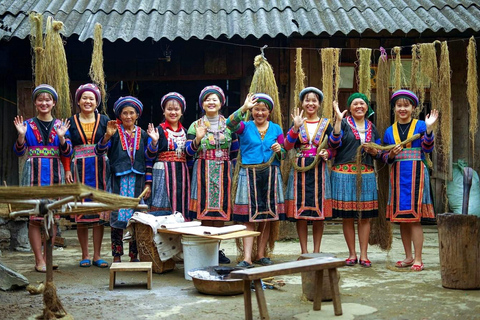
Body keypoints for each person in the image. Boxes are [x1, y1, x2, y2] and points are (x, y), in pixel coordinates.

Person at [13, 84, 72, 272]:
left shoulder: (60, 126)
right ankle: (39, 260)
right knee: (35, 218)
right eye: (40, 99)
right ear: (35, 103)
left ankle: (48, 257)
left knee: (52, 217)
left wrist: (62, 138)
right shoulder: (27, 125)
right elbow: (19, 151)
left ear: (53, 103)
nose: (44, 103)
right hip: (33, 173)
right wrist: (21, 137)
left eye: (48, 99)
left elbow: (68, 151)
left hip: (55, 171)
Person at [95, 96, 161, 263]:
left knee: (136, 219)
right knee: (116, 218)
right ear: (120, 115)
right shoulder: (114, 132)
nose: (128, 116)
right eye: (125, 113)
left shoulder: (144, 134)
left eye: (132, 113)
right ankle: (116, 256)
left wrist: (154, 142)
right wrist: (107, 137)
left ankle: (134, 256)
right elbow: (99, 151)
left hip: (137, 182)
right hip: (118, 180)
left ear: (137, 115)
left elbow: (149, 158)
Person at [227, 93, 286, 268]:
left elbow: (284, 154)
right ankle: (247, 258)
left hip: (270, 173)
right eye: (256, 110)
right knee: (248, 218)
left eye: (263, 110)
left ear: (269, 112)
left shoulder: (276, 129)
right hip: (249, 173)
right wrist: (243, 108)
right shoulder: (244, 127)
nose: (260, 113)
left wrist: (278, 149)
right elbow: (229, 124)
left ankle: (261, 254)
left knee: (266, 217)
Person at [382, 89, 438, 271]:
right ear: (394, 108)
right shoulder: (389, 131)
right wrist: (390, 154)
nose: (402, 109)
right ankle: (408, 256)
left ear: (413, 107)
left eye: (406, 105)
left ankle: (418, 258)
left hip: (416, 175)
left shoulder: (421, 126)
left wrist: (429, 129)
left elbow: (427, 149)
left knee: (414, 219)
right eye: (399, 105)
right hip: (398, 175)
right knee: (402, 219)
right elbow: (384, 156)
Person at [185, 85, 239, 264]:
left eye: (214, 99)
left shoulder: (229, 125)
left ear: (221, 102)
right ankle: (205, 249)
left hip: (224, 171)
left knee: (220, 213)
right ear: (202, 103)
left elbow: (235, 152)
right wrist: (198, 139)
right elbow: (188, 152)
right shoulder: (195, 125)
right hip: (203, 170)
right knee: (204, 214)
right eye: (207, 99)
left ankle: (216, 249)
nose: (211, 102)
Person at [329, 93, 381, 268]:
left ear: (367, 107)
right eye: (355, 104)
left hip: (366, 174)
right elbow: (334, 144)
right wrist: (337, 120)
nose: (359, 106)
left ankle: (364, 255)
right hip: (344, 174)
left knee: (364, 217)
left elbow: (380, 150)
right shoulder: (343, 123)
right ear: (350, 107)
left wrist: (374, 152)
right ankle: (352, 254)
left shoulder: (372, 127)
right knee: (348, 217)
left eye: (362, 103)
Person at [64, 83, 110, 268]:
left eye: (91, 98)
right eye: (84, 98)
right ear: (78, 101)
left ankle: (97, 255)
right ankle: (84, 254)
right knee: (82, 213)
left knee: (98, 213)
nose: (88, 101)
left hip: (100, 169)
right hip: (79, 169)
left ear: (96, 101)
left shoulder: (105, 120)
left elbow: (111, 144)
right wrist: (67, 168)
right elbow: (65, 149)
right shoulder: (70, 121)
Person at [284, 87, 333, 254]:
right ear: (302, 103)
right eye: (307, 100)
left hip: (319, 169)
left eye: (314, 100)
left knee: (319, 213)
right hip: (300, 169)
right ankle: (304, 252)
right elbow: (288, 146)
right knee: (301, 213)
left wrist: (328, 153)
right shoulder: (297, 122)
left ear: (319, 104)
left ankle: (316, 252)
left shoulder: (326, 124)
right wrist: (295, 128)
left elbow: (334, 145)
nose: (310, 103)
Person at [149, 92, 190, 216]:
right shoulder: (158, 130)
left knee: (180, 204)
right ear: (164, 111)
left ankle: (178, 234)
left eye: (176, 109)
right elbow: (149, 157)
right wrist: (154, 142)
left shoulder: (186, 132)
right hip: (162, 172)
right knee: (162, 203)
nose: (173, 112)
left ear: (181, 112)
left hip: (182, 173)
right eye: (169, 109)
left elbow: (189, 156)